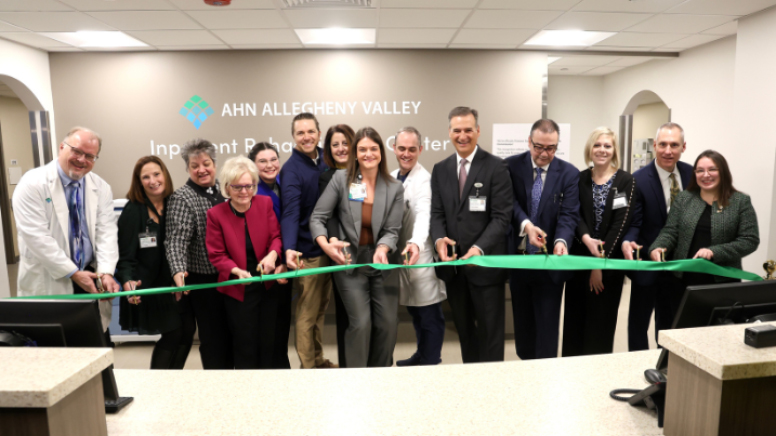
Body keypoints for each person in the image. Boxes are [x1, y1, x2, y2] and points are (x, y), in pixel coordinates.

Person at [310, 127, 404, 368]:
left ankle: (378, 375)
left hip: (382, 261)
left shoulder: (394, 187)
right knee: (361, 323)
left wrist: (383, 248)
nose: (368, 154)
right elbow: (318, 217)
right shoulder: (340, 180)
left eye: (373, 149)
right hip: (349, 261)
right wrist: (326, 245)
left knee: (387, 324)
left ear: (381, 153)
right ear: (355, 153)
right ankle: (356, 380)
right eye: (362, 149)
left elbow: (392, 230)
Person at [13, 127, 119, 339]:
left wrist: (106, 271)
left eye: (90, 156)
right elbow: (37, 238)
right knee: (55, 355)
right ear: (62, 147)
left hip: (90, 278)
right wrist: (73, 273)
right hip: (51, 280)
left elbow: (106, 233)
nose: (82, 159)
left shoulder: (101, 187)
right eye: (76, 151)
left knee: (97, 351)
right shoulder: (32, 183)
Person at [430, 107, 512, 364]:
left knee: (490, 335)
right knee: (465, 332)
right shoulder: (440, 169)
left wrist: (479, 249)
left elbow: (502, 217)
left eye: (468, 130)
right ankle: (472, 383)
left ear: (477, 131)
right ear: (449, 132)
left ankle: (493, 387)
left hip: (484, 266)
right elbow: (437, 214)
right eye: (457, 130)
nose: (462, 135)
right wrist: (439, 239)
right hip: (454, 270)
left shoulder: (496, 167)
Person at [649, 150, 759, 319]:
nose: (706, 175)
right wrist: (658, 247)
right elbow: (670, 231)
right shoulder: (684, 199)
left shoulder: (740, 201)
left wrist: (715, 251)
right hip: (682, 282)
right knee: (682, 332)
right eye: (700, 170)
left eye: (712, 169)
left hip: (722, 283)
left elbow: (749, 240)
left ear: (723, 172)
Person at [506, 119, 580, 360]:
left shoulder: (568, 173)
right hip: (520, 261)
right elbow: (510, 204)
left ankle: (546, 376)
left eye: (551, 148)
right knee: (524, 328)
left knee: (548, 330)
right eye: (539, 147)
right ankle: (526, 368)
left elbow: (569, 215)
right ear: (529, 142)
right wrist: (526, 225)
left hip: (550, 264)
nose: (544, 153)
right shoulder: (510, 166)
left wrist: (561, 241)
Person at [561, 128, 635, 357]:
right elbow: (575, 214)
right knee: (574, 324)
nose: (602, 150)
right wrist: (586, 242)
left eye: (607, 146)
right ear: (590, 149)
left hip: (608, 266)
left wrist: (598, 264)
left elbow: (619, 225)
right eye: (597, 145)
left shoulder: (625, 180)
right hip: (578, 263)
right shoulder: (579, 178)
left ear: (614, 151)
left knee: (599, 328)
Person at [117, 156, 194, 369]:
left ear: (165, 175)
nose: (153, 180)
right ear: (139, 181)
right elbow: (124, 257)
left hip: (176, 283)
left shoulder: (175, 204)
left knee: (187, 333)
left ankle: (173, 379)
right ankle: (159, 382)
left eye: (157, 174)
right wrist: (127, 282)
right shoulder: (133, 211)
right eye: (146, 177)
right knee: (173, 333)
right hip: (150, 287)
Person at [621, 122, 693, 351]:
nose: (668, 150)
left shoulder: (693, 175)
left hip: (680, 266)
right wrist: (626, 241)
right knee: (638, 324)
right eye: (663, 144)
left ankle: (667, 368)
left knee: (672, 324)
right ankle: (637, 369)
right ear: (654, 145)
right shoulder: (638, 179)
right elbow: (634, 221)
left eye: (674, 145)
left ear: (683, 147)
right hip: (648, 265)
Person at [206, 156, 284, 369]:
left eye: (249, 186)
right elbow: (217, 254)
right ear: (227, 188)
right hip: (238, 288)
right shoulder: (215, 214)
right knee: (245, 344)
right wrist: (236, 271)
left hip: (266, 285)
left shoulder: (265, 203)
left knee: (268, 342)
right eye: (237, 187)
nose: (244, 192)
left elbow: (276, 238)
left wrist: (272, 256)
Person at [166, 139, 231, 370]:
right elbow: (176, 240)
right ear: (187, 169)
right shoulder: (182, 198)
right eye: (195, 166)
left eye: (206, 163)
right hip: (205, 282)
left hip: (233, 276)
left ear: (214, 163)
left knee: (235, 334)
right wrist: (177, 271)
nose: (201, 169)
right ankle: (217, 384)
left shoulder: (228, 190)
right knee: (213, 339)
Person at [279, 112, 337, 369]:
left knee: (320, 311)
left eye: (310, 131)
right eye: (300, 133)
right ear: (293, 137)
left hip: (329, 250)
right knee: (306, 314)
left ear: (319, 132)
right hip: (307, 253)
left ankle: (318, 359)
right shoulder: (291, 170)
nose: (306, 137)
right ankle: (308, 368)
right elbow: (290, 212)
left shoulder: (328, 158)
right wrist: (289, 249)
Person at [391, 127, 447, 366]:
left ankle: (431, 360)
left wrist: (415, 242)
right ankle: (421, 355)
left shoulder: (424, 180)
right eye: (401, 148)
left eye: (412, 149)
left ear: (420, 150)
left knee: (429, 315)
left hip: (421, 258)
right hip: (402, 259)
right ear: (393, 148)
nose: (406, 153)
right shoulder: (393, 176)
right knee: (415, 312)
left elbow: (425, 215)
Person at [250, 142, 291, 369]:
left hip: (284, 264)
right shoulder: (252, 191)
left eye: (273, 159)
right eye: (262, 161)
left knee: (281, 325)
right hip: (263, 267)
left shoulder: (283, 184)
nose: (270, 165)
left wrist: (284, 261)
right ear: (253, 165)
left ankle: (280, 370)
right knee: (266, 330)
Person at [318, 124, 355, 367]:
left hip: (371, 252)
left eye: (345, 143)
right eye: (335, 144)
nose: (341, 148)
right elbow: (327, 216)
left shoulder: (367, 171)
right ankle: (348, 364)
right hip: (342, 253)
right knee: (347, 314)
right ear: (329, 150)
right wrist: (333, 241)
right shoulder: (327, 177)